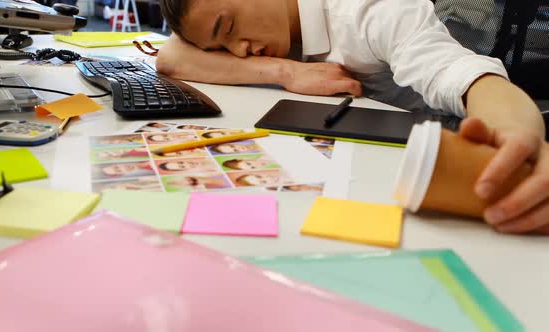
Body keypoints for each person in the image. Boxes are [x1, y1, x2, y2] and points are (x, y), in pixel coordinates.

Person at [157, 0, 549, 234]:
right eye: (220, 45)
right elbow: (171, 57)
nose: (238, 52)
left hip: (438, 158)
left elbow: (463, 75)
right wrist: (286, 71)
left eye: (228, 28)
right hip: (363, 162)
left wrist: (517, 130)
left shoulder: (366, 11)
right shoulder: (266, 28)